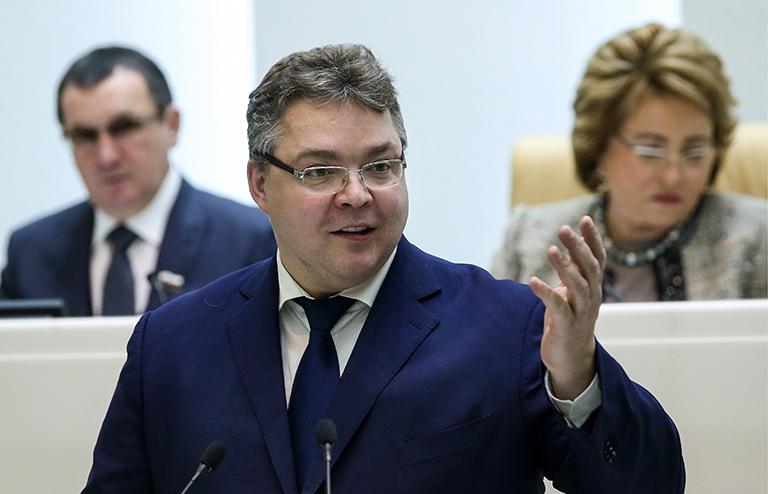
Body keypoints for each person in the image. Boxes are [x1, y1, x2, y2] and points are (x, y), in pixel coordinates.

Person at [83, 44, 684, 493]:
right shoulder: (172, 344)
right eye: (321, 171)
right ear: (260, 185)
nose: (357, 194)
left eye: (379, 166)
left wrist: (577, 379)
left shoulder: (507, 327)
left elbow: (648, 485)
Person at [492, 23, 767, 302]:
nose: (673, 176)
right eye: (650, 151)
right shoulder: (527, 241)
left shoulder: (758, 239)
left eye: (694, 152)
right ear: (599, 145)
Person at [0, 46, 275, 316]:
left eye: (124, 128)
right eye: (85, 136)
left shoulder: (249, 240)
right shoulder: (31, 252)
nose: (106, 157)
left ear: (172, 124)